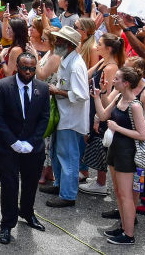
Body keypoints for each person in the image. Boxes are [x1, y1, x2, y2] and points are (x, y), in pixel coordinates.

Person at [0, 52, 51, 245]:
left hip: (32, 147)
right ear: (17, 66)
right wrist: (13, 142)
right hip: (6, 146)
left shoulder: (43, 88)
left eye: (32, 68)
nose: (28, 72)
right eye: (24, 68)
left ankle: (27, 212)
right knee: (10, 185)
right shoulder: (2, 86)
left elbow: (44, 117)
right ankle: (7, 224)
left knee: (31, 182)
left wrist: (31, 142)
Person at [93, 65, 145, 245]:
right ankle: (124, 227)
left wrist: (118, 128)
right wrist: (96, 96)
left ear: (126, 83)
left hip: (127, 153)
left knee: (126, 195)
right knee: (118, 192)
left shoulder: (135, 105)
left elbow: (142, 134)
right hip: (115, 150)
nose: (113, 80)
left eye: (117, 79)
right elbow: (102, 116)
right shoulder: (118, 97)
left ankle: (129, 235)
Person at [39, 25, 89, 208]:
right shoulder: (67, 59)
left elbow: (82, 94)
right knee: (57, 152)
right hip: (64, 115)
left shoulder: (75, 66)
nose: (56, 42)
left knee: (68, 156)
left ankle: (68, 195)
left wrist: (57, 90)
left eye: (59, 40)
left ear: (68, 44)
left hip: (71, 119)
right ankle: (60, 185)